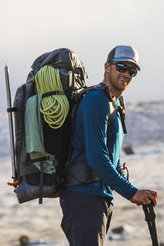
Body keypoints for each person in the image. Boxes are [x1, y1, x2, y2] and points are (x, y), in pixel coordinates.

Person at [60, 45, 158, 246]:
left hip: (96, 197)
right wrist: (132, 192)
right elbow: (97, 158)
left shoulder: (114, 103)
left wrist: (134, 190)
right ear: (107, 67)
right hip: (85, 197)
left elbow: (111, 158)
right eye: (121, 67)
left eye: (132, 71)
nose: (126, 74)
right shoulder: (97, 100)